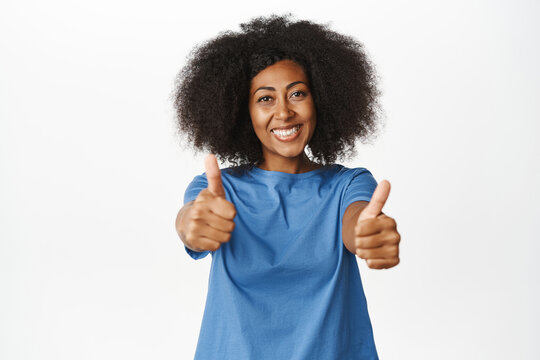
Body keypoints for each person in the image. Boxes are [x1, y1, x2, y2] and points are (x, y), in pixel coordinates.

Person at [173, 14, 401, 360]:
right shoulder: (216, 188)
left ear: (320, 100)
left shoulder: (347, 185)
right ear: (242, 111)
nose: (283, 112)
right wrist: (190, 224)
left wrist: (368, 233)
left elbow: (357, 221)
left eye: (297, 94)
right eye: (265, 98)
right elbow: (193, 220)